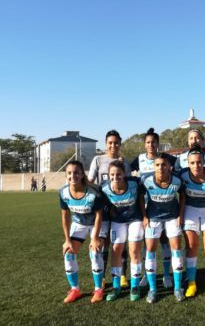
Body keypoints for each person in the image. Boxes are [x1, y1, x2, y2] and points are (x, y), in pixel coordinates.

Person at [130, 128, 176, 289]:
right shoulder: (139, 159)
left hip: (163, 205)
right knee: (147, 242)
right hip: (145, 205)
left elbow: (176, 174)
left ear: (158, 144)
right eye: (148, 142)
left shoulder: (167, 158)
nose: (151, 145)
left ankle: (166, 274)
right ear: (144, 144)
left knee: (164, 240)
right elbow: (129, 176)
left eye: (154, 142)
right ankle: (146, 274)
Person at [88, 129, 132, 288]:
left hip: (120, 207)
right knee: (103, 242)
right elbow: (91, 182)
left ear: (120, 144)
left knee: (120, 242)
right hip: (103, 208)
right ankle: (104, 276)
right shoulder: (98, 160)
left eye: (116, 142)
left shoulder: (124, 162)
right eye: (110, 143)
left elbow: (128, 184)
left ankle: (122, 276)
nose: (113, 145)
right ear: (106, 144)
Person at [59, 160, 107, 303]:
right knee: (69, 253)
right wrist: (67, 240)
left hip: (97, 224)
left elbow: (99, 215)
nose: (72, 176)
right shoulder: (63, 192)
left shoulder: (93, 193)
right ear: (66, 175)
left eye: (76, 172)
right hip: (79, 223)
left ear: (81, 174)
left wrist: (95, 238)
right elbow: (65, 217)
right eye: (69, 173)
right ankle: (75, 289)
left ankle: (98, 289)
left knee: (95, 251)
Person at [140, 153, 185, 303]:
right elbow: (140, 197)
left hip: (172, 217)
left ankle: (177, 288)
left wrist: (180, 214)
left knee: (176, 248)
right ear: (153, 166)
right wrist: (145, 216)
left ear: (169, 166)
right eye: (158, 165)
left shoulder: (177, 180)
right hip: (153, 218)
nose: (161, 167)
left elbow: (183, 196)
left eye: (164, 164)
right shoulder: (146, 179)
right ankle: (153, 289)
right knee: (150, 249)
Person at [179, 145, 205, 298]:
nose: (196, 165)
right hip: (190, 211)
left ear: (204, 162)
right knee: (191, 247)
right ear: (188, 163)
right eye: (193, 163)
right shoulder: (182, 175)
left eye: (199, 162)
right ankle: (191, 282)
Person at [101, 160, 143, 302]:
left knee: (134, 251)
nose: (115, 177)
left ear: (124, 174)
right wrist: (109, 209)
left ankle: (135, 286)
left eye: (118, 174)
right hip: (118, 221)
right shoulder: (105, 188)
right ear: (108, 175)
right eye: (112, 175)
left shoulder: (134, 183)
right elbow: (101, 202)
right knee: (116, 250)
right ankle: (116, 286)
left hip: (135, 220)